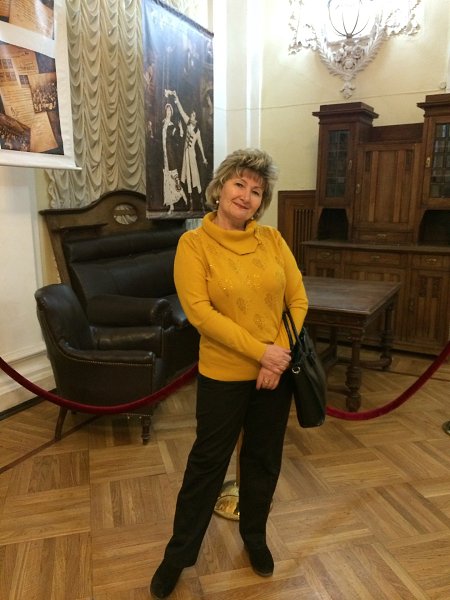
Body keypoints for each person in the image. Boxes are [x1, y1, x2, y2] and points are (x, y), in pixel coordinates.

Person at [150, 148, 309, 599]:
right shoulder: (194, 244)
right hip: (223, 375)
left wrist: (277, 355)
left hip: (275, 373)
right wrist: (262, 353)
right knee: (206, 465)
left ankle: (254, 537)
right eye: (239, 184)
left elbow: (298, 300)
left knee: (263, 460)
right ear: (220, 188)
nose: (246, 195)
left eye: (257, 190)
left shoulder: (273, 240)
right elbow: (201, 314)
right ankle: (178, 556)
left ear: (262, 201)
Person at [169, 89, 208, 210]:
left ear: (196, 117)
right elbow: (181, 111)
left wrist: (204, 158)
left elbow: (200, 145)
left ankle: (201, 202)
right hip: (186, 155)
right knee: (188, 178)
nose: (192, 117)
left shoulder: (197, 131)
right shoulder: (187, 123)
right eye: (191, 115)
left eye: (194, 115)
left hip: (192, 155)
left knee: (195, 177)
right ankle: (191, 204)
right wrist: (176, 99)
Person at [161, 100, 187, 213]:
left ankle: (184, 196)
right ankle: (171, 205)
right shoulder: (162, 124)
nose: (168, 112)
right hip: (164, 157)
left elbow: (177, 141)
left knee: (174, 179)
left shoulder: (172, 126)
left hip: (170, 156)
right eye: (167, 110)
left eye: (169, 110)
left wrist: (180, 131)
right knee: (167, 181)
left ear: (171, 112)